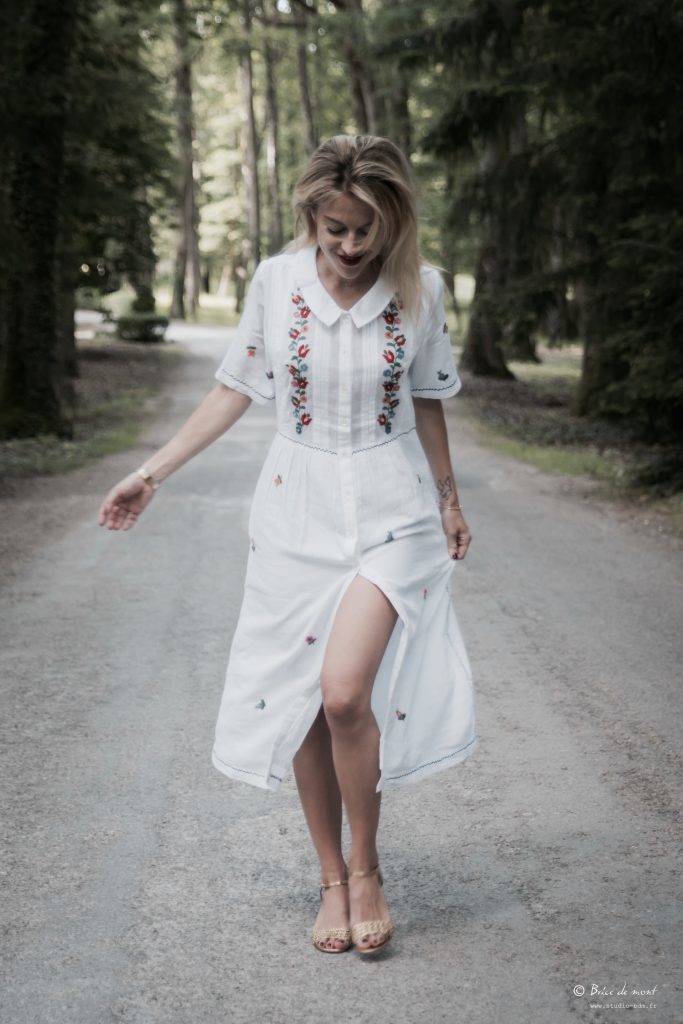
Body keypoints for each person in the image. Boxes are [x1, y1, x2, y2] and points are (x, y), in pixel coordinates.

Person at [98, 134, 478, 957]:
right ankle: (330, 879)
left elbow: (428, 400)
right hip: (294, 508)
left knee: (344, 694)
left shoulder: (422, 290)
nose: (350, 245)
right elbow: (233, 390)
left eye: (366, 229)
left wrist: (449, 502)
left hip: (392, 507)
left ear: (393, 222)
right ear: (311, 215)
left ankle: (368, 868)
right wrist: (151, 474)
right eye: (335, 228)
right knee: (306, 699)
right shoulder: (277, 282)